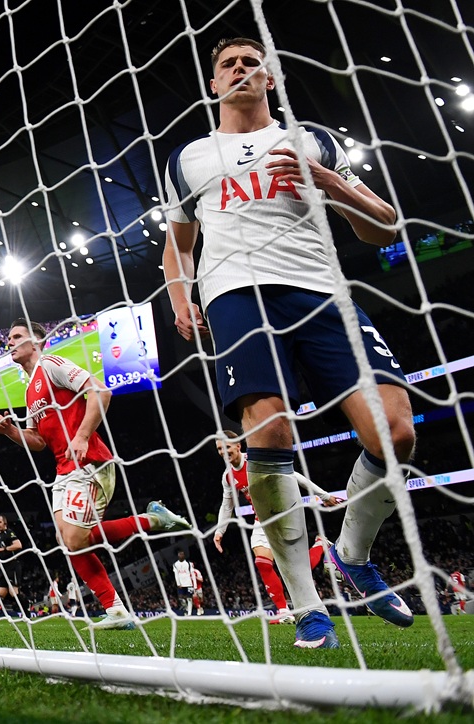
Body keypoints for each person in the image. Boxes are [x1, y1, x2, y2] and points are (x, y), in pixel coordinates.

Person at [163, 37, 414, 649]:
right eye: (229, 64)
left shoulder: (312, 140)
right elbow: (180, 242)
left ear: (270, 78)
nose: (242, 70)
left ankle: (351, 554)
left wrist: (327, 181)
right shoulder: (189, 159)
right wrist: (180, 297)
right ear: (214, 83)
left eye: (253, 62)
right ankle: (307, 606)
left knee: (395, 431)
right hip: (236, 295)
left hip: (323, 292)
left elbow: (383, 225)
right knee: (270, 433)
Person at [0, 319, 190, 630]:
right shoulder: (29, 390)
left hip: (91, 462)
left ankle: (153, 521)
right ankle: (117, 611)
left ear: (36, 342)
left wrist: (82, 435)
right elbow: (39, 442)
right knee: (68, 540)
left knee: (73, 537)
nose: (10, 343)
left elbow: (101, 391)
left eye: (17, 336)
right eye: (9, 338)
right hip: (63, 470)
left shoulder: (52, 364)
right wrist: (10, 432)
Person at [214, 430, 338, 624]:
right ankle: (283, 611)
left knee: (298, 570)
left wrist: (323, 496)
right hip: (262, 519)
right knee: (262, 562)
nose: (223, 452)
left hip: (285, 512)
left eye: (226, 447)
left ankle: (320, 545)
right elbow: (227, 504)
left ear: (238, 445)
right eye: (219, 449)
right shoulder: (228, 476)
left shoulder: (257, 461)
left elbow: (293, 475)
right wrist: (220, 530)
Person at [0, 514, 23, 618]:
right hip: (4, 566)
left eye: (0, 522)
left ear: (5, 523)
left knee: (13, 592)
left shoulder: (9, 533)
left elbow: (18, 545)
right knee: (0, 593)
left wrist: (3, 549)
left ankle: (25, 610)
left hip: (13, 565)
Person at [173, 550, 196, 616]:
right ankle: (186, 608)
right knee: (181, 598)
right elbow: (176, 574)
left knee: (189, 598)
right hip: (181, 584)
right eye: (180, 554)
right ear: (178, 555)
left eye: (182, 554)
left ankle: (189, 614)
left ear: (184, 555)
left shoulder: (189, 564)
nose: (181, 555)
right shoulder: (175, 564)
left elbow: (193, 574)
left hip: (189, 584)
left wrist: (194, 585)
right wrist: (178, 583)